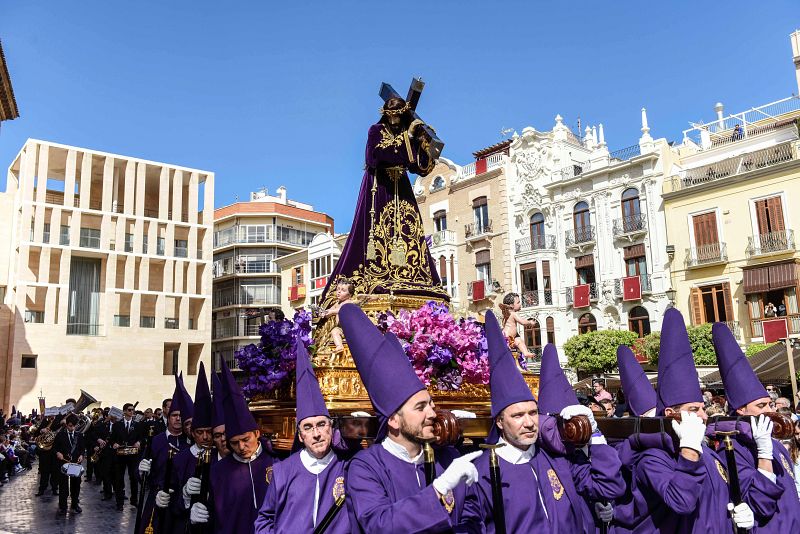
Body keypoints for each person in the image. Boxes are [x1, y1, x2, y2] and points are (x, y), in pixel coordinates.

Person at [462, 314, 625, 532]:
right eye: (518, 416)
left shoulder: (557, 459)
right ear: (500, 421)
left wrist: (594, 437)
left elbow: (609, 487)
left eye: (532, 412)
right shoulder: (480, 471)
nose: (529, 422)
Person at [339, 303, 480, 532]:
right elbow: (379, 525)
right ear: (394, 420)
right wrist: (438, 490)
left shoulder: (448, 457)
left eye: (431, 404)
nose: (432, 413)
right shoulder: (365, 467)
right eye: (420, 407)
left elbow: (472, 516)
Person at [627, 309, 756, 532]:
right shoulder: (652, 458)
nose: (704, 416)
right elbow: (681, 502)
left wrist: (738, 513)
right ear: (671, 414)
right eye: (694, 409)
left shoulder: (708, 452)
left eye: (703, 409)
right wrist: (688, 450)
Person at [319, 94, 447, 310]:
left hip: (402, 189)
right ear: (386, 115)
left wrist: (423, 142)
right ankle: (376, 277)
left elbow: (418, 166)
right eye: (392, 117)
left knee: (408, 229)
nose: (395, 121)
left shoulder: (406, 133)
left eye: (399, 117)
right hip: (379, 188)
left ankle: (411, 278)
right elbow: (377, 156)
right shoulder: (375, 131)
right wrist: (408, 135)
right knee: (376, 231)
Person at [710, 322, 800, 530]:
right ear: (741, 410)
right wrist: (763, 455)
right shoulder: (731, 449)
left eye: (769, 404)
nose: (769, 410)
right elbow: (760, 505)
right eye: (761, 406)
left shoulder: (775, 443)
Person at [255, 343, 351, 533]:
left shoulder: (347, 467)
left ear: (331, 428)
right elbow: (264, 520)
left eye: (322, 424)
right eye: (308, 427)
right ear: (300, 435)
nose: (316, 434)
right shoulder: (283, 471)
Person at [189, 358, 277, 533]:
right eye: (235, 443)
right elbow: (212, 514)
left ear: (257, 433)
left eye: (246, 439)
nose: (242, 447)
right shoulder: (218, 471)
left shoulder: (276, 463)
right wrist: (196, 512)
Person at [137, 377, 193, 531]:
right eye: (174, 415)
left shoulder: (189, 441)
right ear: (168, 417)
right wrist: (141, 470)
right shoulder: (156, 440)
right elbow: (142, 473)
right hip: (158, 496)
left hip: (181, 499)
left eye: (181, 416)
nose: (178, 418)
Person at [171, 362, 215, 534]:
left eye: (209, 432)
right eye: (199, 432)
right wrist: (185, 495)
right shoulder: (180, 459)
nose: (205, 437)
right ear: (191, 433)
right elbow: (172, 502)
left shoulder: (223, 457)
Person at [110, 402, 142, 510]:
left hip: (133, 455)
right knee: (119, 479)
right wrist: (114, 443)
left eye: (133, 410)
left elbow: (142, 437)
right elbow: (112, 439)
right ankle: (119, 503)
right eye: (129, 410)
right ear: (124, 412)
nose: (132, 412)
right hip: (120, 455)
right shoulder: (117, 425)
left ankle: (134, 500)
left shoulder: (137, 425)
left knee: (134, 478)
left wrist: (139, 442)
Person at [53, 414, 85, 515]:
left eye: (74, 426)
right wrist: (58, 453)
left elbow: (82, 449)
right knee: (63, 485)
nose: (72, 428)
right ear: (66, 425)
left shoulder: (79, 435)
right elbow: (54, 448)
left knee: (76, 485)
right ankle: (62, 506)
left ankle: (75, 504)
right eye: (70, 426)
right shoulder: (60, 435)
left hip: (75, 464)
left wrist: (81, 455)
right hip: (63, 463)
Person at [320, 278, 357, 354]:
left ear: (350, 295)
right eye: (338, 289)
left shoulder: (349, 302)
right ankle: (339, 346)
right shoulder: (337, 304)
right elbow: (329, 311)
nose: (339, 292)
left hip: (350, 329)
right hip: (340, 328)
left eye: (343, 290)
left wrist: (332, 312)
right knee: (334, 331)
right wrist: (324, 313)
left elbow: (343, 310)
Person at [498, 292, 536, 360]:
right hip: (508, 337)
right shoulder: (513, 314)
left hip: (508, 337)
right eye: (518, 303)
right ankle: (525, 353)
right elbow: (522, 322)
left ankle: (525, 353)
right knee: (519, 341)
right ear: (512, 305)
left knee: (519, 340)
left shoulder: (506, 315)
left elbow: (504, 324)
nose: (520, 304)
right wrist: (530, 322)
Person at [34, 417, 59, 497]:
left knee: (55, 472)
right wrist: (41, 430)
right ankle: (42, 489)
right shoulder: (44, 421)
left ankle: (54, 488)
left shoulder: (58, 422)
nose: (52, 416)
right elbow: (36, 434)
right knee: (44, 472)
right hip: (44, 452)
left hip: (55, 451)